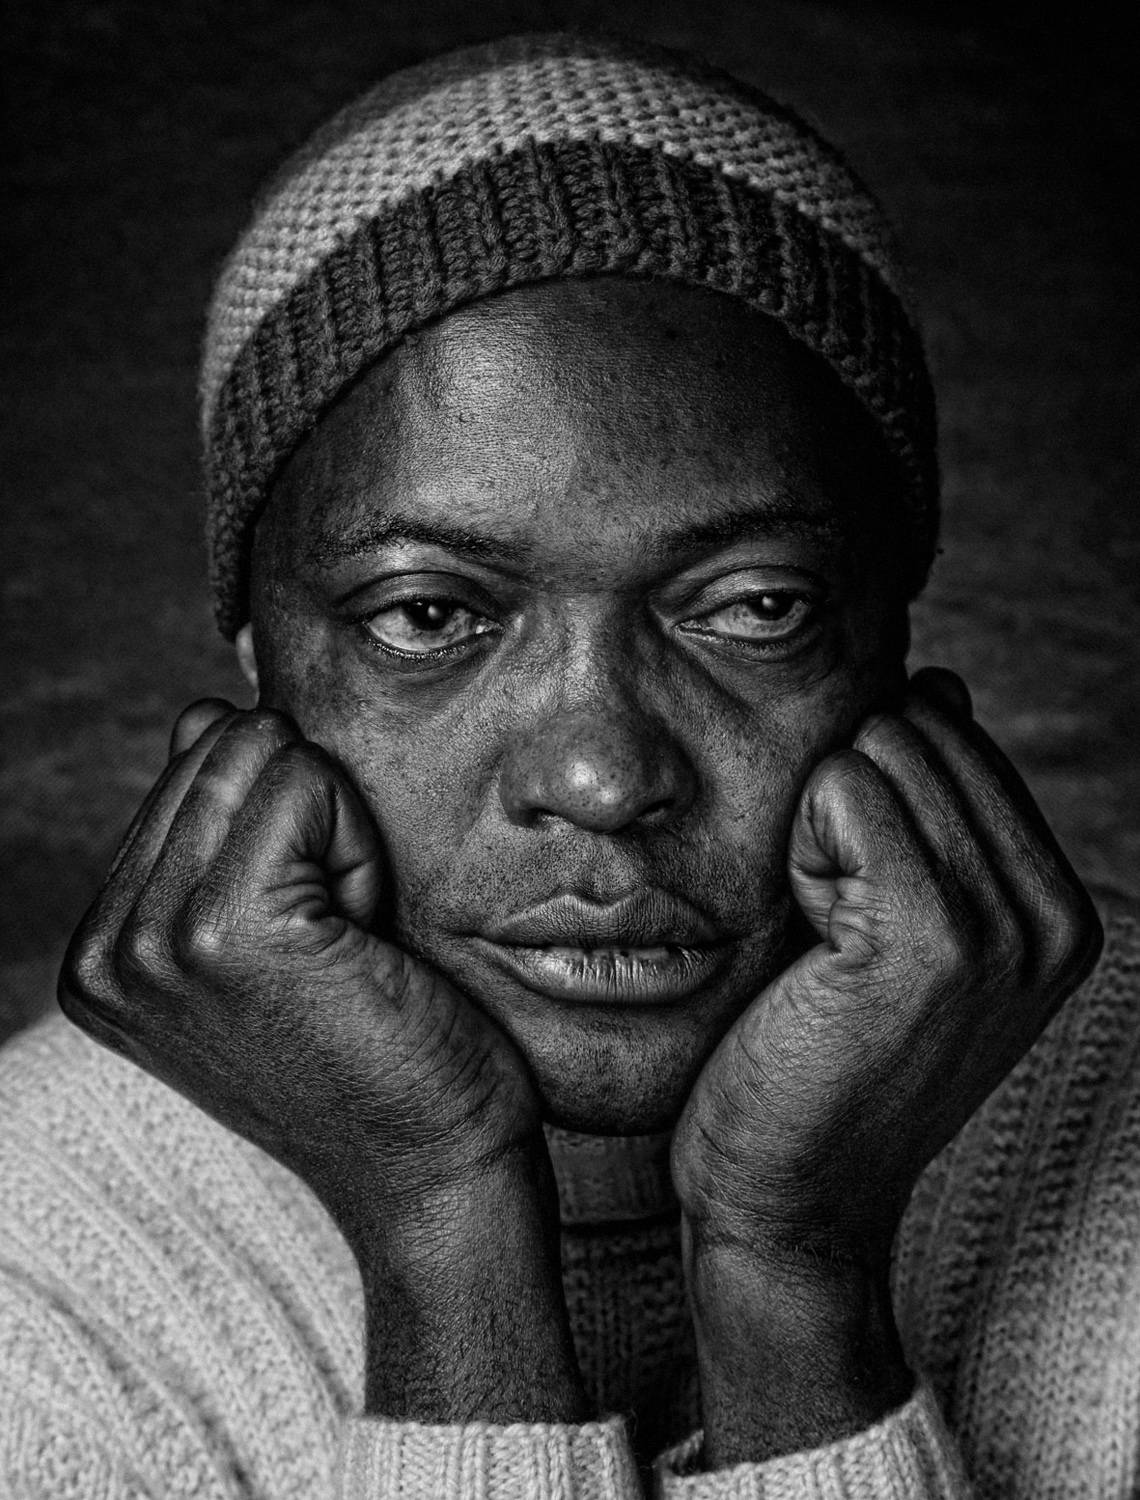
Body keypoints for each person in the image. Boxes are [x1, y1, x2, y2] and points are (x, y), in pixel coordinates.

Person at [0, 29, 1134, 1500]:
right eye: (428, 615)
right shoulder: (32, 1267)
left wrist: (792, 1282)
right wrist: (444, 1231)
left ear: (895, 644)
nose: (603, 781)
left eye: (755, 607)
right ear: (260, 667)